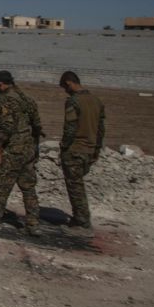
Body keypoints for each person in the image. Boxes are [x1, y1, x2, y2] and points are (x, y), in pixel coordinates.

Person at [0, 71, 43, 235]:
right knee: (28, 188)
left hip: (12, 150)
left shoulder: (5, 99)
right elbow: (37, 125)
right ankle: (33, 223)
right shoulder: (26, 98)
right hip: (28, 148)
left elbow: (4, 128)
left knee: (1, 186)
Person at [58, 71, 105, 230]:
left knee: (75, 186)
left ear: (69, 83)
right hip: (89, 149)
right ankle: (81, 218)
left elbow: (70, 128)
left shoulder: (73, 101)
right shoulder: (96, 101)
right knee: (78, 184)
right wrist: (96, 149)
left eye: (65, 87)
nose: (66, 91)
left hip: (75, 149)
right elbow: (100, 129)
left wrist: (64, 147)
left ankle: (82, 221)